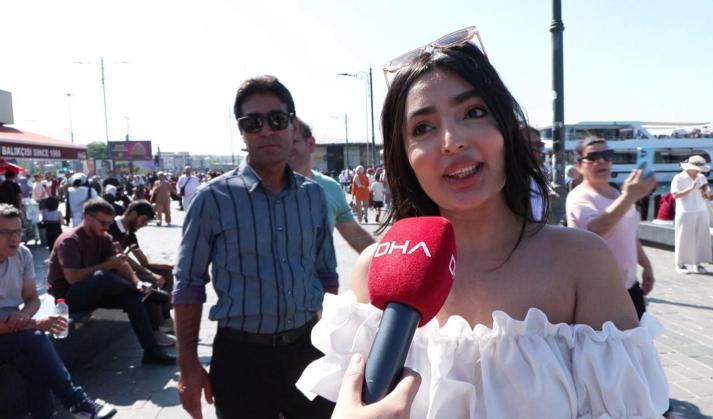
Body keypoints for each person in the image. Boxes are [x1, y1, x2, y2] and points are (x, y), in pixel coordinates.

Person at [297, 32, 668, 417]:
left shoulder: (582, 261)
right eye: (422, 128)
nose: (452, 141)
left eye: (473, 112)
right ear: (402, 155)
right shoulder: (374, 270)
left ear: (506, 129)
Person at [173, 75, 338, 419]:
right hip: (241, 360)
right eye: (253, 123)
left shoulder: (312, 197)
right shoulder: (212, 199)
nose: (266, 131)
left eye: (276, 120)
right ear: (242, 131)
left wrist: (332, 341)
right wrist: (188, 366)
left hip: (306, 349)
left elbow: (325, 273)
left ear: (293, 126)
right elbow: (188, 285)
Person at [0, 204, 117, 419]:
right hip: (12, 332)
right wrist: (34, 323)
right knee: (34, 339)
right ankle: (76, 401)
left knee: (31, 360)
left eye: (17, 231)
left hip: (15, 331)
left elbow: (32, 299)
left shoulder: (22, 254)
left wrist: (25, 315)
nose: (14, 238)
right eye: (6, 232)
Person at [46, 198, 176, 365]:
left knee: (132, 298)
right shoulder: (70, 240)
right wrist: (108, 265)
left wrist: (137, 282)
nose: (107, 227)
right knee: (102, 276)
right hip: (67, 297)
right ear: (87, 218)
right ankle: (150, 295)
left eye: (109, 223)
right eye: (103, 223)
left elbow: (121, 263)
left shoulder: (103, 236)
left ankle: (151, 351)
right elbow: (73, 277)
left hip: (95, 291)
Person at [566, 136, 657, 319]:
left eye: (607, 155)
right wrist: (629, 196)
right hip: (599, 291)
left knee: (638, 336)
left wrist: (646, 265)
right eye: (593, 157)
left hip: (629, 285)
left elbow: (629, 233)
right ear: (579, 166)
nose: (601, 161)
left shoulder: (617, 193)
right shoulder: (579, 197)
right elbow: (595, 230)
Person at [289, 120, 376, 253]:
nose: (286, 147)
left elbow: (355, 234)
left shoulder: (330, 187)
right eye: (280, 142)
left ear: (310, 144)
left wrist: (384, 261)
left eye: (293, 141)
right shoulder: (260, 189)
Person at [108, 200, 175, 346]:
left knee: (166, 273)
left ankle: (165, 318)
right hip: (113, 272)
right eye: (143, 220)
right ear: (133, 214)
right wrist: (151, 275)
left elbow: (142, 260)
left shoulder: (130, 233)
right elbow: (124, 259)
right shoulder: (111, 228)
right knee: (149, 282)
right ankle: (155, 330)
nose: (143, 225)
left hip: (125, 269)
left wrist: (164, 267)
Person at [671, 155, 713, 274]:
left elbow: (707, 196)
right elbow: (675, 195)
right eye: (697, 169)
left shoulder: (702, 177)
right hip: (685, 211)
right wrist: (691, 188)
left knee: (700, 237)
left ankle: (697, 263)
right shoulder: (679, 177)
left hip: (701, 209)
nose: (698, 172)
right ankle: (680, 264)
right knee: (683, 237)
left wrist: (705, 193)